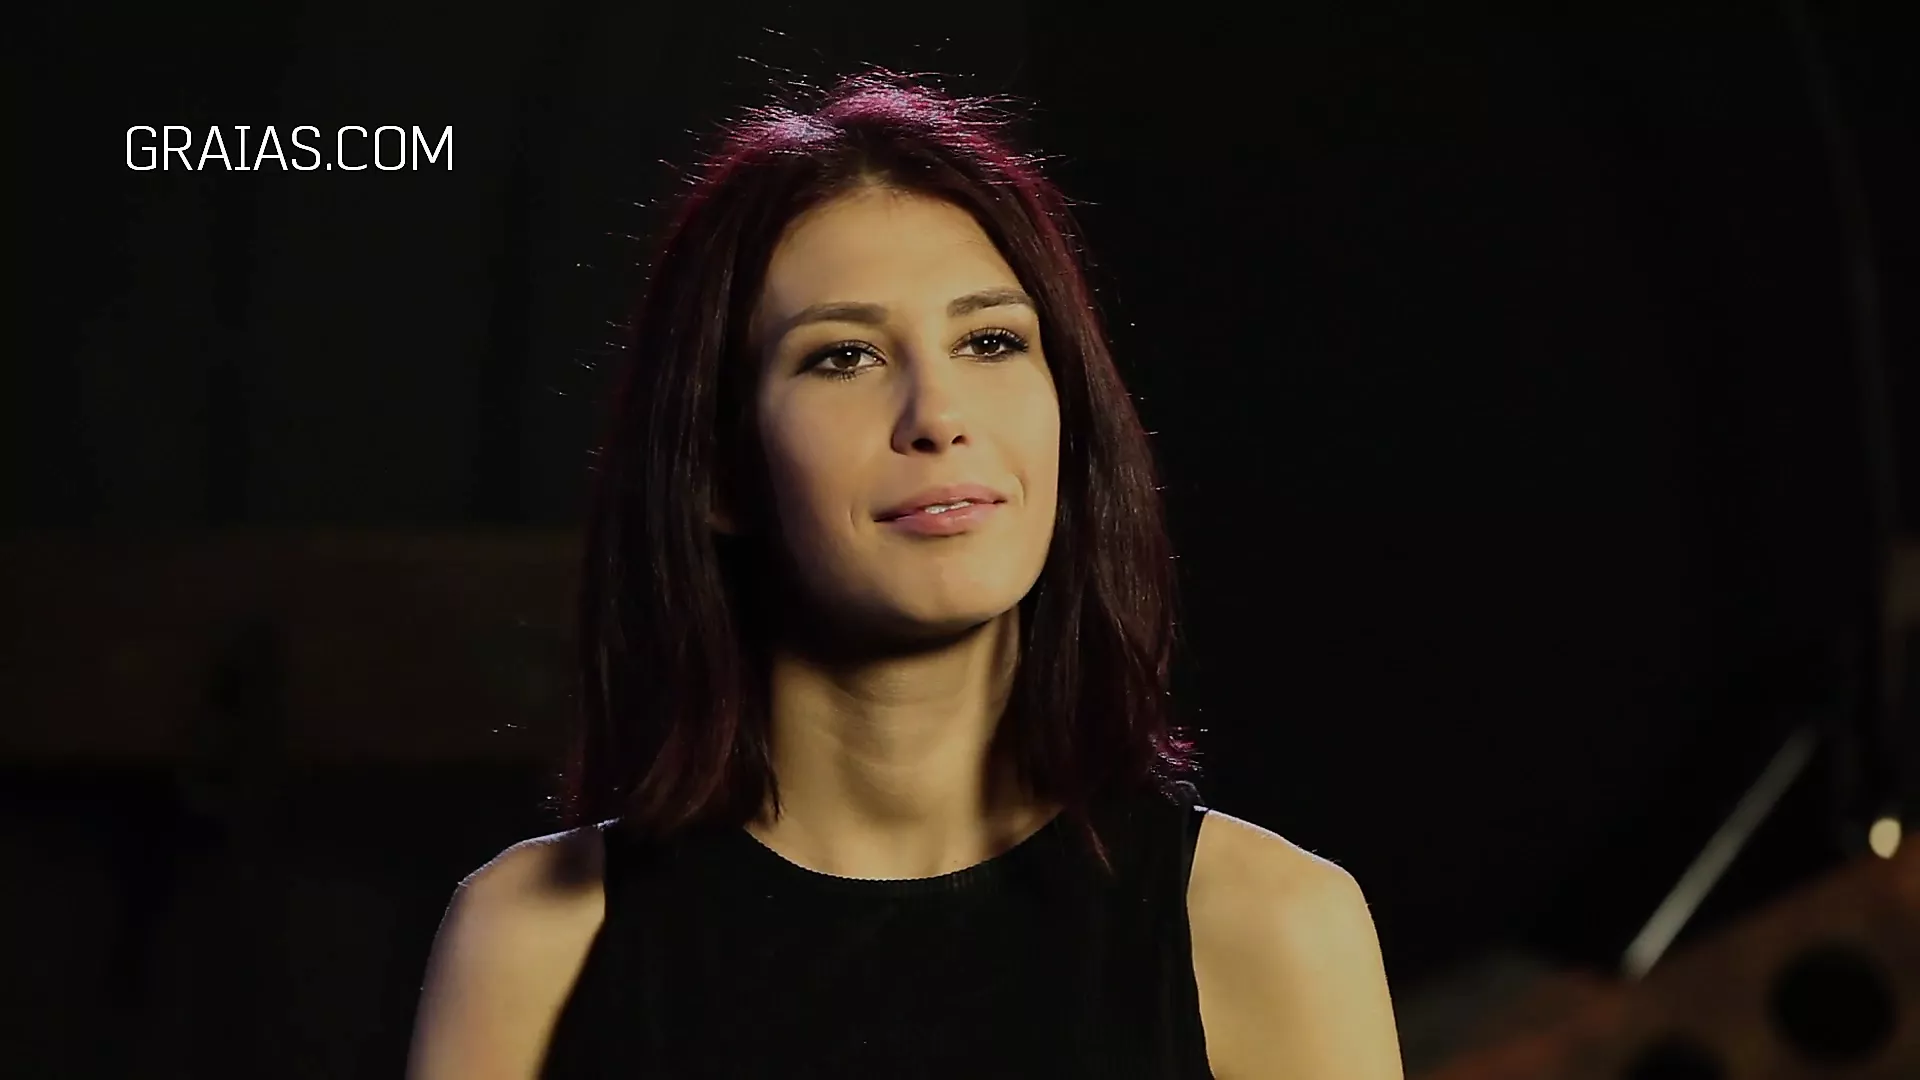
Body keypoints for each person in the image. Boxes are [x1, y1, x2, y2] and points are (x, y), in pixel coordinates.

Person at [407, 71, 1403, 1079]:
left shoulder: (1272, 930)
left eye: (991, 341)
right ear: (717, 468)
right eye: (844, 357)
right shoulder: (537, 944)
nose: (938, 415)